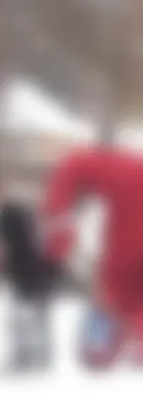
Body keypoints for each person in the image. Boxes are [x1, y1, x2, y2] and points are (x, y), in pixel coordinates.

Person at [40, 145, 143, 369]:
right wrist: (59, 222)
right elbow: (73, 166)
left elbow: (72, 165)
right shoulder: (132, 174)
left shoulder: (131, 173)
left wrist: (58, 221)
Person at [0, 175, 63, 372]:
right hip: (26, 274)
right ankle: (34, 356)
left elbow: (18, 246)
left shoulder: (12, 214)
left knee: (27, 317)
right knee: (27, 317)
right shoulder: (5, 215)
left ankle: (32, 357)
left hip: (33, 273)